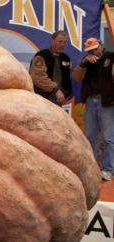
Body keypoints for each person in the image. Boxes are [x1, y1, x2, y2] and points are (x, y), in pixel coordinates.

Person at [72, 38, 114, 181]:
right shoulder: (87, 61)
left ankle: (108, 169)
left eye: (96, 48)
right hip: (90, 100)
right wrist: (84, 63)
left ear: (101, 45)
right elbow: (76, 78)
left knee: (108, 138)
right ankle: (93, 168)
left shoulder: (111, 57)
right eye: (91, 50)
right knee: (90, 136)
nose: (94, 51)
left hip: (107, 101)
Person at [29, 30, 72, 106]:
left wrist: (66, 93)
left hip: (60, 99)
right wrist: (56, 90)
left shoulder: (66, 58)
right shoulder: (41, 56)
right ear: (52, 41)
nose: (62, 44)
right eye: (60, 41)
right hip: (43, 98)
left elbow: (68, 79)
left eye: (65, 42)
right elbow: (38, 77)